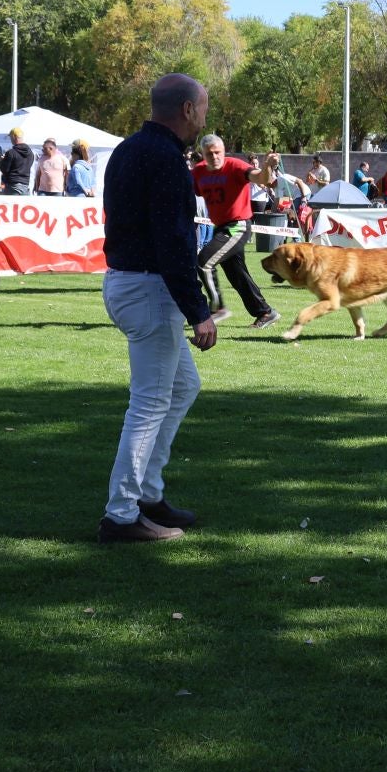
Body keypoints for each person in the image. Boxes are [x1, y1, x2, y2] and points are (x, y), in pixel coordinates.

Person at [97, 74, 218, 544]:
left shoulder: (128, 149)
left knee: (184, 385)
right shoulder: (165, 159)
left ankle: (148, 493)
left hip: (130, 283)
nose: (205, 116)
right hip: (149, 289)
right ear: (187, 110)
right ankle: (121, 514)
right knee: (148, 404)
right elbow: (172, 242)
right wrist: (198, 310)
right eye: (203, 107)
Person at [192, 135, 281, 330]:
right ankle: (265, 312)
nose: (214, 157)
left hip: (238, 226)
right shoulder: (198, 172)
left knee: (204, 262)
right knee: (237, 275)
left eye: (218, 153)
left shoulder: (235, 166)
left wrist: (267, 165)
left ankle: (217, 309)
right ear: (203, 155)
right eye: (209, 153)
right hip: (221, 227)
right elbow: (187, 191)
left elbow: (261, 178)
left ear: (223, 152)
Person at [0, 129, 36, 195]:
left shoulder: (11, 153)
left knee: (10, 204)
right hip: (25, 185)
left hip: (13, 185)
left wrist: (2, 161)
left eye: (10, 137)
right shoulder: (31, 153)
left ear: (14, 137)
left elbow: (4, 169)